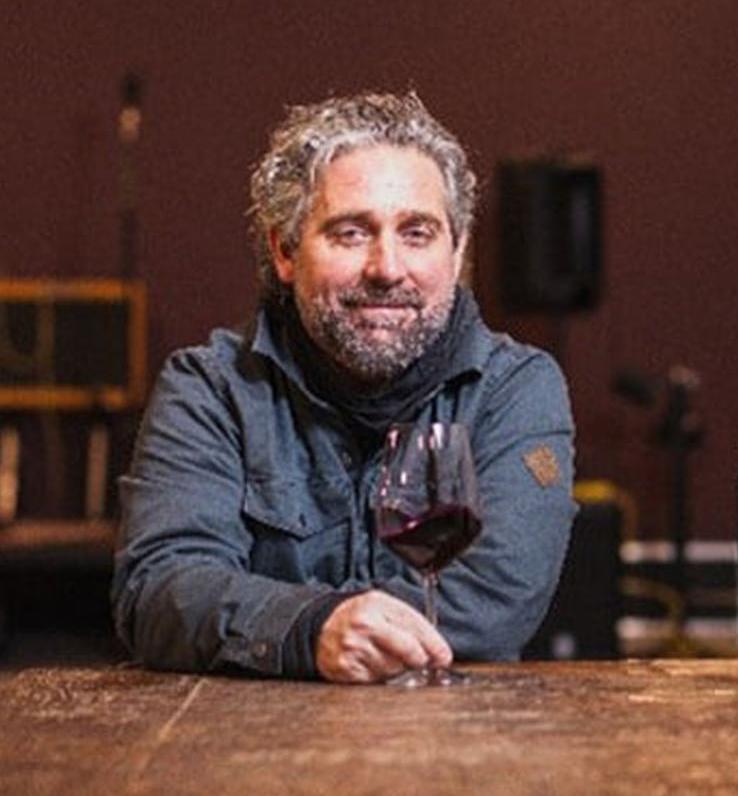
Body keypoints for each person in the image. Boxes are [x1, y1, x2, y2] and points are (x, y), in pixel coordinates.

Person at [111, 91, 576, 682]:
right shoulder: (209, 387)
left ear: (457, 251)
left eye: (417, 233)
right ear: (284, 250)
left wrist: (280, 621)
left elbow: (496, 603)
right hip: (244, 755)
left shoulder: (516, 388)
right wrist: (312, 629)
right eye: (351, 233)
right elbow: (160, 590)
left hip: (457, 753)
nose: (386, 268)